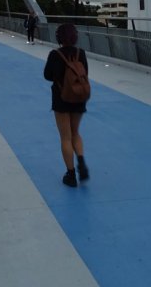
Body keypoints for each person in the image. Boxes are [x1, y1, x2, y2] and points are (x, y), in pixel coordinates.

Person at [43, 22, 90, 188]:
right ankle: (82, 161)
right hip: (79, 98)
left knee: (65, 137)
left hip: (61, 99)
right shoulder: (81, 53)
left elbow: (47, 75)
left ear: (59, 38)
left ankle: (71, 175)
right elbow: (85, 73)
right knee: (76, 132)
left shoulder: (55, 54)